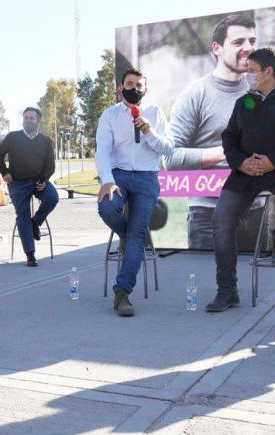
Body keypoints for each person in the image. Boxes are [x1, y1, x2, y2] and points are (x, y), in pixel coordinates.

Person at [207, 47, 275, 313]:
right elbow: (229, 139)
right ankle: (227, 291)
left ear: (268, 72)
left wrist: (272, 161)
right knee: (221, 221)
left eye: (251, 70)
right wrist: (242, 163)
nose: (246, 75)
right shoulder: (243, 103)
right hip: (246, 172)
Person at [164, 14, 266, 250]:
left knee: (255, 276)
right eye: (238, 42)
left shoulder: (262, 92)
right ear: (217, 48)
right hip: (208, 216)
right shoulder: (194, 95)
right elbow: (170, 158)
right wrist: (227, 152)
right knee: (209, 276)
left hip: (257, 211)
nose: (248, 48)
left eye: (252, 41)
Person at [96, 68, 174, 317]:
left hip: (146, 177)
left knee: (138, 231)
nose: (134, 88)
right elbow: (102, 151)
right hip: (117, 174)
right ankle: (129, 237)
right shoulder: (109, 115)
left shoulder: (155, 113)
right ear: (121, 87)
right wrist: (107, 181)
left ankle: (122, 293)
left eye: (139, 85)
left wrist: (150, 131)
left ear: (145, 89)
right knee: (107, 208)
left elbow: (168, 148)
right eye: (130, 84)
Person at [0, 107, 58, 267]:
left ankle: (35, 222)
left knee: (52, 198)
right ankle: (30, 254)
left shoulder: (45, 141)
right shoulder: (12, 137)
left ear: (38, 121)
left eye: (31, 118)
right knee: (23, 214)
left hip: (38, 181)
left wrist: (44, 179)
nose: (28, 121)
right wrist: (4, 172)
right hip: (18, 183)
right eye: (25, 118)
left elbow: (50, 164)